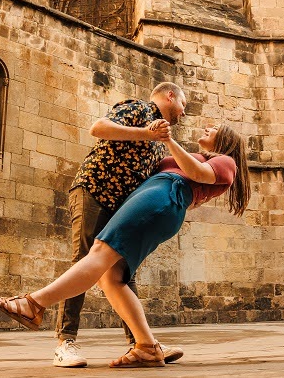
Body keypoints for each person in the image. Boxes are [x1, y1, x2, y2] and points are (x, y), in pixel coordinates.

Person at [0, 124, 250, 368]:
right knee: (111, 278)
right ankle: (146, 346)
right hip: (156, 197)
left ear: (226, 140)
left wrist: (168, 140)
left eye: (214, 128)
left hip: (162, 196)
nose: (207, 128)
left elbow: (196, 173)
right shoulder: (199, 156)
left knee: (100, 252)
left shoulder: (227, 162)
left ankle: (33, 304)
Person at [47, 82, 187, 367]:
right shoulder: (139, 108)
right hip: (94, 191)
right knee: (83, 261)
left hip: (121, 207)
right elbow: (98, 128)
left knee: (125, 270)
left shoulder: (160, 141)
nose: (184, 112)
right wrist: (146, 133)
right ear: (169, 96)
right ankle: (65, 343)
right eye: (183, 104)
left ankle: (142, 343)